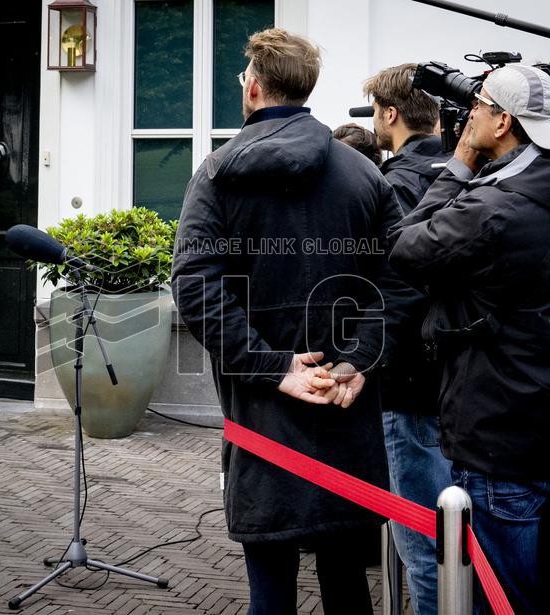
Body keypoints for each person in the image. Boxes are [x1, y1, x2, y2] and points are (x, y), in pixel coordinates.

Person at [172, 28, 401, 615]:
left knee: (270, 589)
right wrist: (358, 359)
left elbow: (195, 288)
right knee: (348, 586)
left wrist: (274, 368)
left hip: (264, 414)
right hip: (344, 407)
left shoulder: (217, 173)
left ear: (253, 88)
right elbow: (401, 279)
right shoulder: (366, 175)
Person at [388, 64, 550, 613]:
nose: (469, 116)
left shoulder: (494, 207)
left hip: (499, 437)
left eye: (479, 105)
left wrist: (461, 162)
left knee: (502, 599)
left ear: (503, 121)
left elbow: (403, 246)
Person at [360, 63, 451, 615]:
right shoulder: (471, 170)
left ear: (390, 114)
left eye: (376, 111)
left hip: (410, 378)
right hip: (463, 376)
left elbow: (390, 289)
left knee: (421, 536)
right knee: (459, 525)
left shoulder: (393, 185)